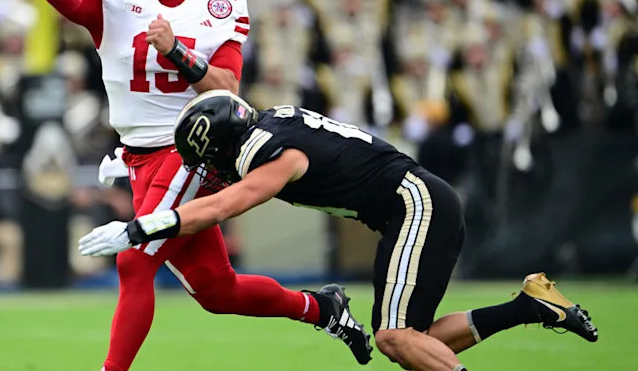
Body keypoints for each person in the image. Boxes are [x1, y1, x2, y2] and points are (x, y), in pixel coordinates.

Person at [0, 0, 372, 370]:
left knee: (134, 260)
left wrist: (175, 51)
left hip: (192, 151)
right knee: (216, 289)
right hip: (140, 160)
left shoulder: (217, 8)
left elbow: (228, 90)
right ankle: (323, 309)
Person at [79, 90, 599, 371]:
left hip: (413, 204)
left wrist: (140, 227)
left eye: (206, 160)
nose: (208, 169)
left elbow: (225, 203)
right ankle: (531, 306)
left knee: (395, 338)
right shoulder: (270, 121)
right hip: (417, 201)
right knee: (407, 340)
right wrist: (132, 166)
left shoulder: (270, 155)